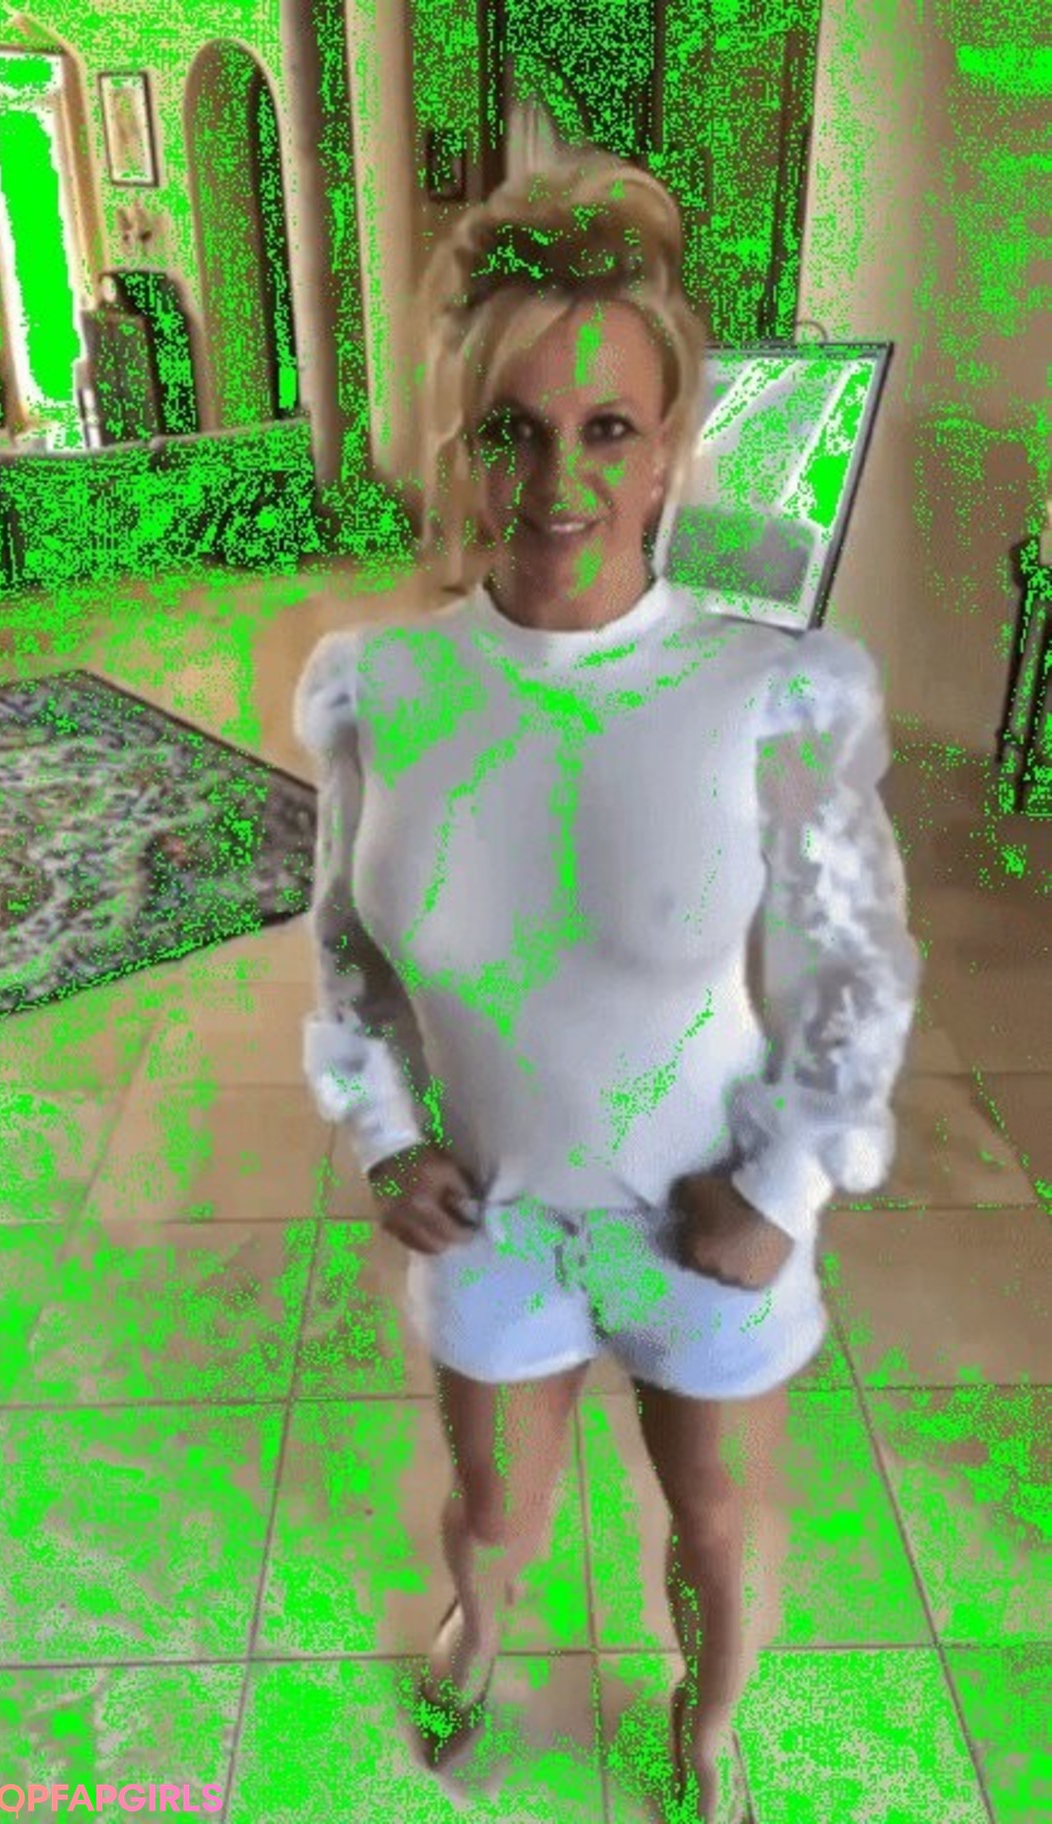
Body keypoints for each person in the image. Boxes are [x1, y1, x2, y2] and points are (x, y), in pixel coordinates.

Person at [293, 149, 922, 1822]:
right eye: (512, 428)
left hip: (706, 1217)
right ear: (463, 444)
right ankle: (482, 1627)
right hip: (492, 1216)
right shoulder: (384, 689)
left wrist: (785, 1187)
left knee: (711, 1524)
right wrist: (382, 1135)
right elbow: (347, 956)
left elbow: (855, 966)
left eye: (608, 426)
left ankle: (706, 1729)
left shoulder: (765, 690)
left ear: (668, 450)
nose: (558, 476)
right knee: (494, 1514)